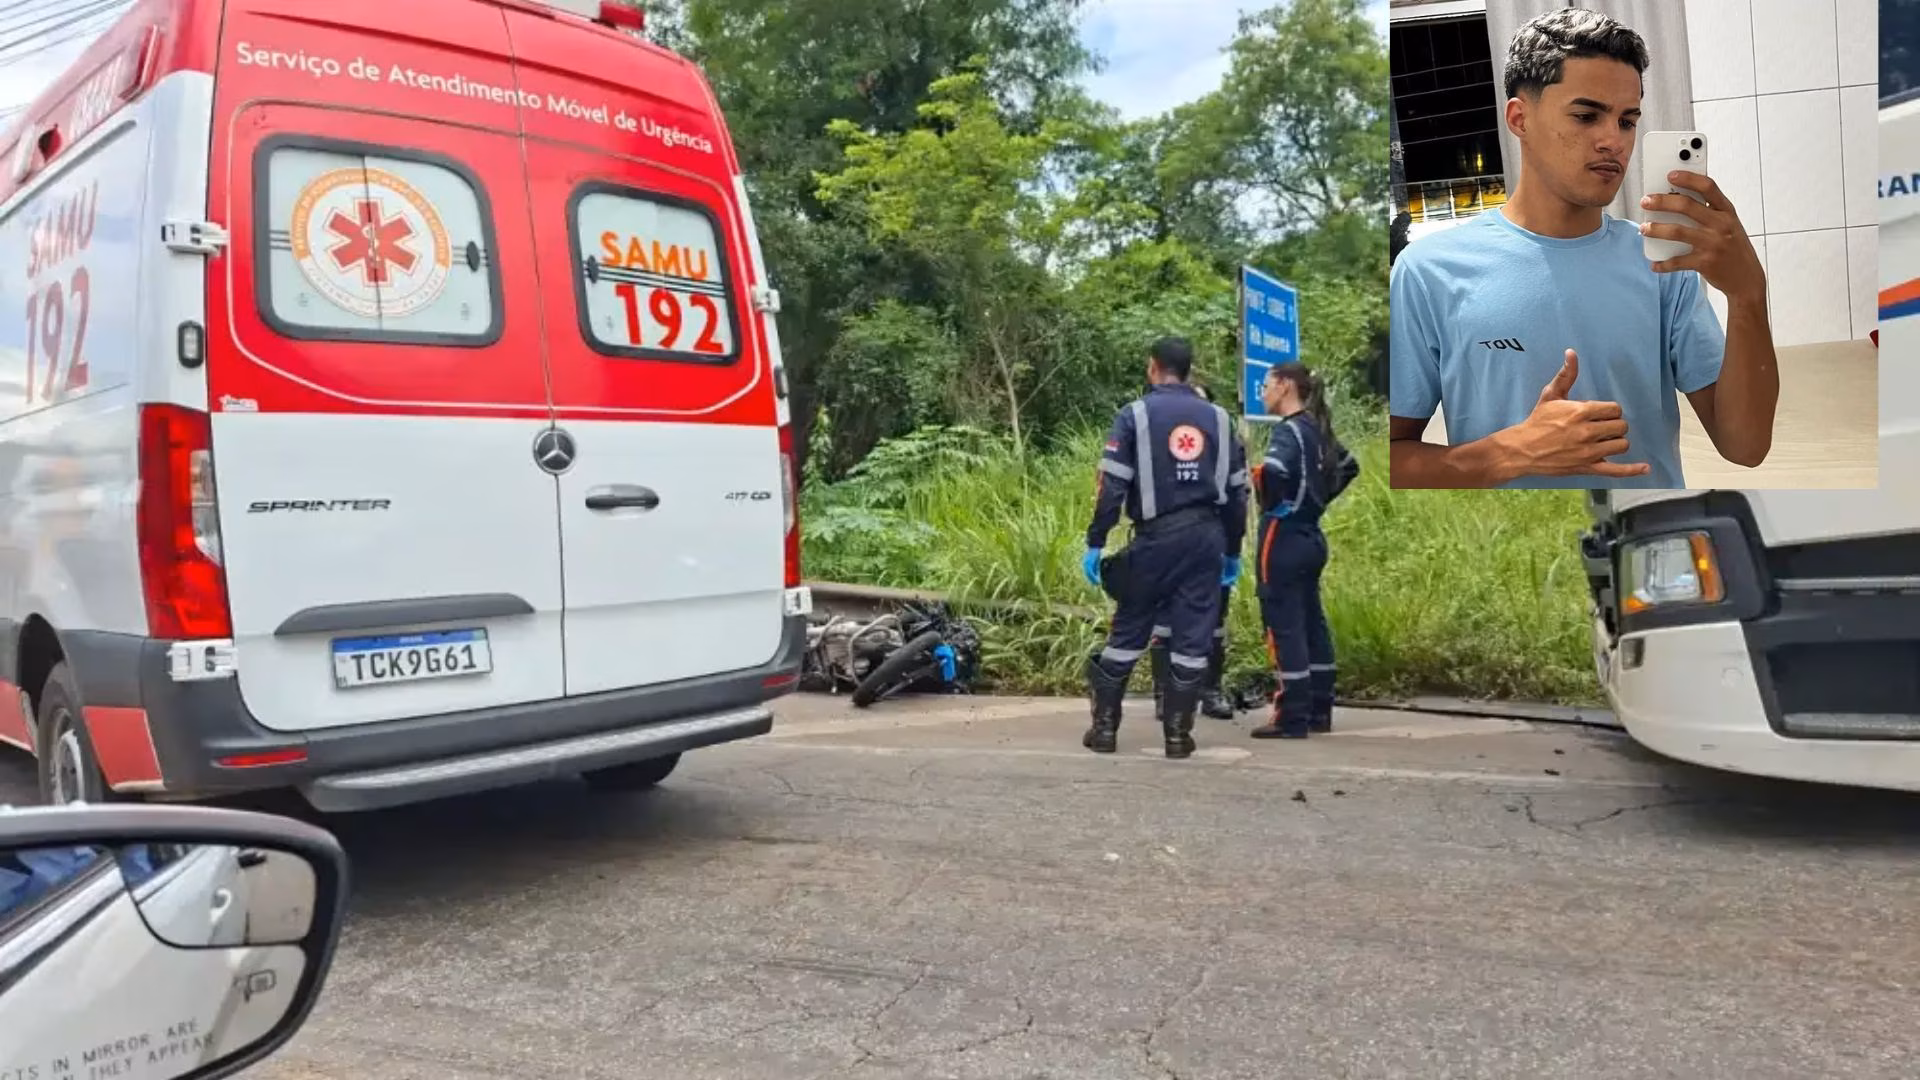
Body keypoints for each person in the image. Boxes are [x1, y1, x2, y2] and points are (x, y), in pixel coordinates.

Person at [1388, 7, 1777, 490]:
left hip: (1640, 525)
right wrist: (1508, 452)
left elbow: (1746, 446)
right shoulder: (1429, 271)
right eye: (1587, 115)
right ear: (1519, 117)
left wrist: (1747, 296)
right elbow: (1386, 458)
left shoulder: (1663, 263)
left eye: (1627, 121)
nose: (1613, 141)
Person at [1082, 337, 1249, 758]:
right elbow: (1238, 493)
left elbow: (1110, 488)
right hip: (1206, 537)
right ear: (1189, 371)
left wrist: (1097, 541)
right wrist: (1232, 549)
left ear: (1152, 367)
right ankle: (1177, 736)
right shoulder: (1219, 418)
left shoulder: (1134, 415)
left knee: (1130, 626)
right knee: (1193, 637)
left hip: (1155, 538)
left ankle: (1104, 730)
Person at [1252, 362, 1357, 738]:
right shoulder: (1317, 430)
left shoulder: (1288, 431)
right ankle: (1318, 710)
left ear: (1283, 386)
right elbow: (1349, 466)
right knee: (1312, 622)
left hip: (1282, 536)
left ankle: (1291, 716)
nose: (1261, 391)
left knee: (1284, 625)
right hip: (1311, 536)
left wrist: (1269, 495)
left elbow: (1275, 472)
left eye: (1265, 384)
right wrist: (1317, 499)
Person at [1148, 381, 1237, 722]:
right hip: (1164, 537)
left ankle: (1209, 690)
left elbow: (1236, 491)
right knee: (1163, 619)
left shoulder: (1222, 439)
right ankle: (1163, 693)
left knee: (1213, 619)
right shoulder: (1157, 443)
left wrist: (1233, 544)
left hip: (1211, 537)